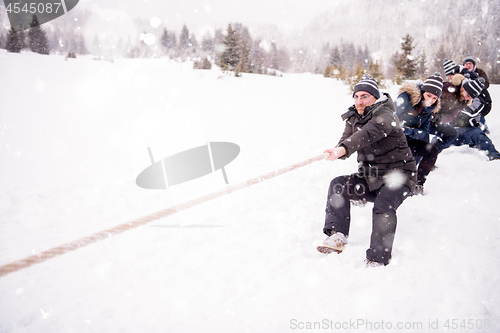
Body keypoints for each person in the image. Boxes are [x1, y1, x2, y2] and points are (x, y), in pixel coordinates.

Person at [317, 74, 417, 267]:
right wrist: (339, 150)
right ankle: (337, 236)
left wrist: (343, 149)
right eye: (356, 97)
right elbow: (347, 141)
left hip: (400, 177)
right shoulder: (353, 118)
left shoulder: (386, 115)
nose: (359, 101)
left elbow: (366, 134)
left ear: (375, 97)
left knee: (384, 204)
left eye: (364, 96)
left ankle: (378, 258)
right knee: (339, 185)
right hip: (371, 179)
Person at [395, 72, 443, 195]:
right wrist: (400, 127)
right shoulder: (406, 97)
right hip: (393, 140)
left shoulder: (429, 111)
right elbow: (390, 117)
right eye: (428, 95)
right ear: (422, 92)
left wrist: (410, 131)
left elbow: (424, 132)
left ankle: (418, 184)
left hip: (408, 141)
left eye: (434, 98)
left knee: (432, 150)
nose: (431, 100)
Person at [446, 75, 500, 161]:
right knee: (438, 139)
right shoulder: (453, 94)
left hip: (468, 131)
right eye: (467, 95)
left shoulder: (476, 103)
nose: (467, 98)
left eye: (470, 97)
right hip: (452, 130)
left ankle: (495, 156)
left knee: (479, 135)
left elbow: (469, 115)